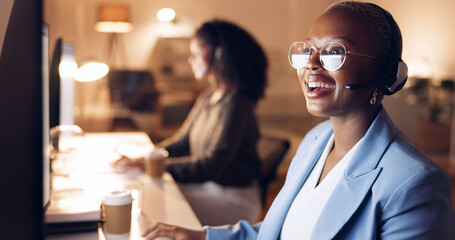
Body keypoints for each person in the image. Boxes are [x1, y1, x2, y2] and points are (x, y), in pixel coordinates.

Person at [141, 1, 455, 239]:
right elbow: (283, 228)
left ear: (386, 74)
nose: (311, 65)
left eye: (334, 51)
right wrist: (203, 235)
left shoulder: (414, 184)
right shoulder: (315, 141)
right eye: (307, 51)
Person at [114, 19, 268, 226]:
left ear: (219, 54)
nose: (190, 58)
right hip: (208, 187)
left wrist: (150, 164)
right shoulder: (208, 96)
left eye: (197, 51)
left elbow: (211, 166)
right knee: (150, 191)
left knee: (154, 204)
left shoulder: (237, 103)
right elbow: (181, 142)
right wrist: (145, 157)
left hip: (233, 198)